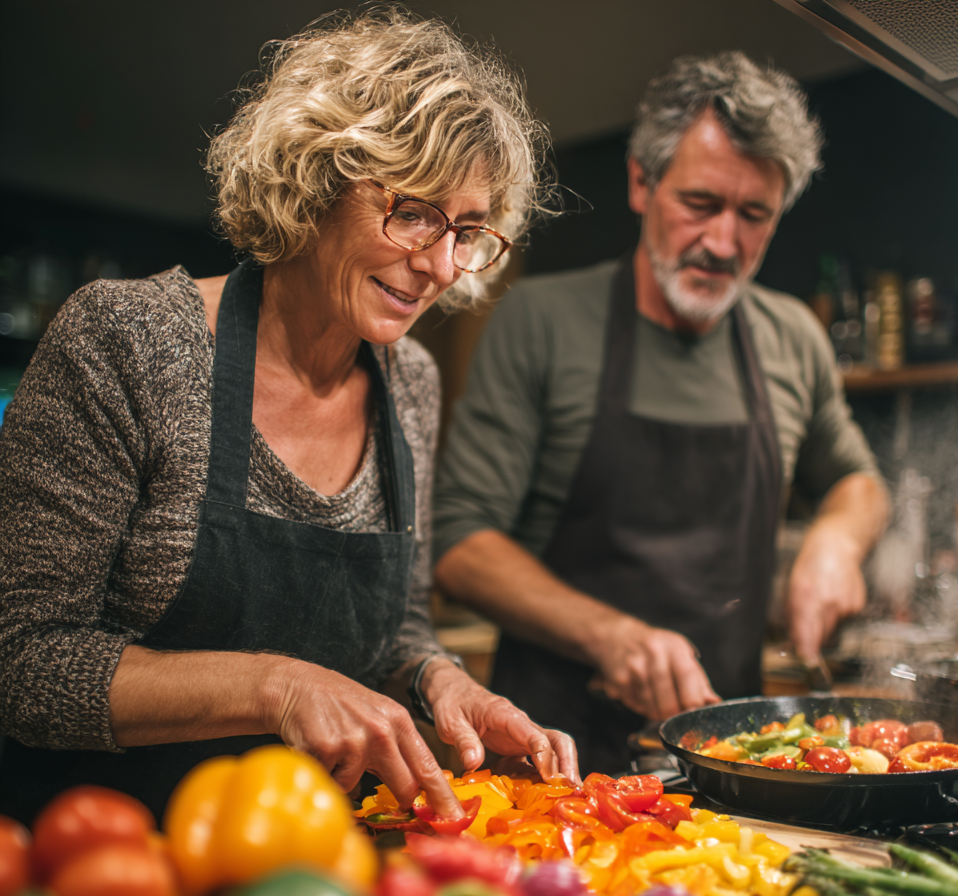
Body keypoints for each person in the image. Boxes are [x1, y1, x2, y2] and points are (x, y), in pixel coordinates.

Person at [0, 10, 578, 826]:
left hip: (311, 862)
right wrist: (279, 686)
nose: (442, 264)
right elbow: (23, 664)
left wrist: (436, 680)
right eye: (413, 212)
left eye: (469, 230)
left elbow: (398, 629)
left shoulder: (407, 380)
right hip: (107, 871)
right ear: (314, 182)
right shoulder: (126, 341)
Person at [433, 52, 890, 774]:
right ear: (642, 182)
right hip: (555, 757)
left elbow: (856, 480)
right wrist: (611, 634)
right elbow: (458, 544)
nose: (723, 242)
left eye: (754, 215)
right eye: (701, 204)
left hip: (733, 759)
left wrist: (837, 542)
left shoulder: (792, 336)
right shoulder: (542, 321)